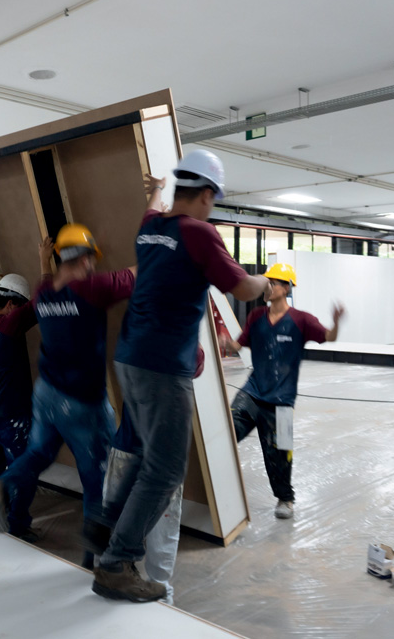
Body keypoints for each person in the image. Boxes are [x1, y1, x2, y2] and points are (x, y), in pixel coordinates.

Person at [95, 149, 269, 603]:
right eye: (213, 197)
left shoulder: (153, 228)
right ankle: (116, 562)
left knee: (147, 458)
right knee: (166, 469)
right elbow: (243, 288)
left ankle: (109, 530)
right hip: (162, 366)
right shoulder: (200, 233)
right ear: (208, 194)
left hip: (129, 359)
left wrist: (155, 192)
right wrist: (268, 281)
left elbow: (150, 211)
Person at [0, 224, 135, 567]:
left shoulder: (44, 291)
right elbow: (137, 273)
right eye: (91, 259)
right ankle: (95, 561)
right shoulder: (93, 287)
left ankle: (5, 484)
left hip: (46, 394)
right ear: (84, 258)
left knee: (37, 454)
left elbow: (47, 278)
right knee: (99, 476)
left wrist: (41, 258)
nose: (94, 265)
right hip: (82, 403)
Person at [226, 262, 344, 520]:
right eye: (267, 282)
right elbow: (238, 343)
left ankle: (285, 499)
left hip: (283, 401)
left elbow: (329, 337)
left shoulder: (302, 320)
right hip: (253, 392)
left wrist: (336, 323)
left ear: (285, 288)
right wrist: (224, 341)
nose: (267, 286)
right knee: (227, 430)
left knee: (282, 454)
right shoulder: (256, 316)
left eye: (272, 282)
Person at [100, 346, 204, 605]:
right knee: (159, 530)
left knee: (119, 523)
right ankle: (157, 589)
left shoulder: (138, 333)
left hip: (130, 450)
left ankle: (133, 584)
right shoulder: (180, 343)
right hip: (156, 455)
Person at [0, 239, 55, 538]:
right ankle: (18, 523)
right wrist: (44, 259)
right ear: (10, 305)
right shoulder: (8, 324)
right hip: (11, 412)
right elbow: (41, 303)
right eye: (17, 307)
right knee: (25, 468)